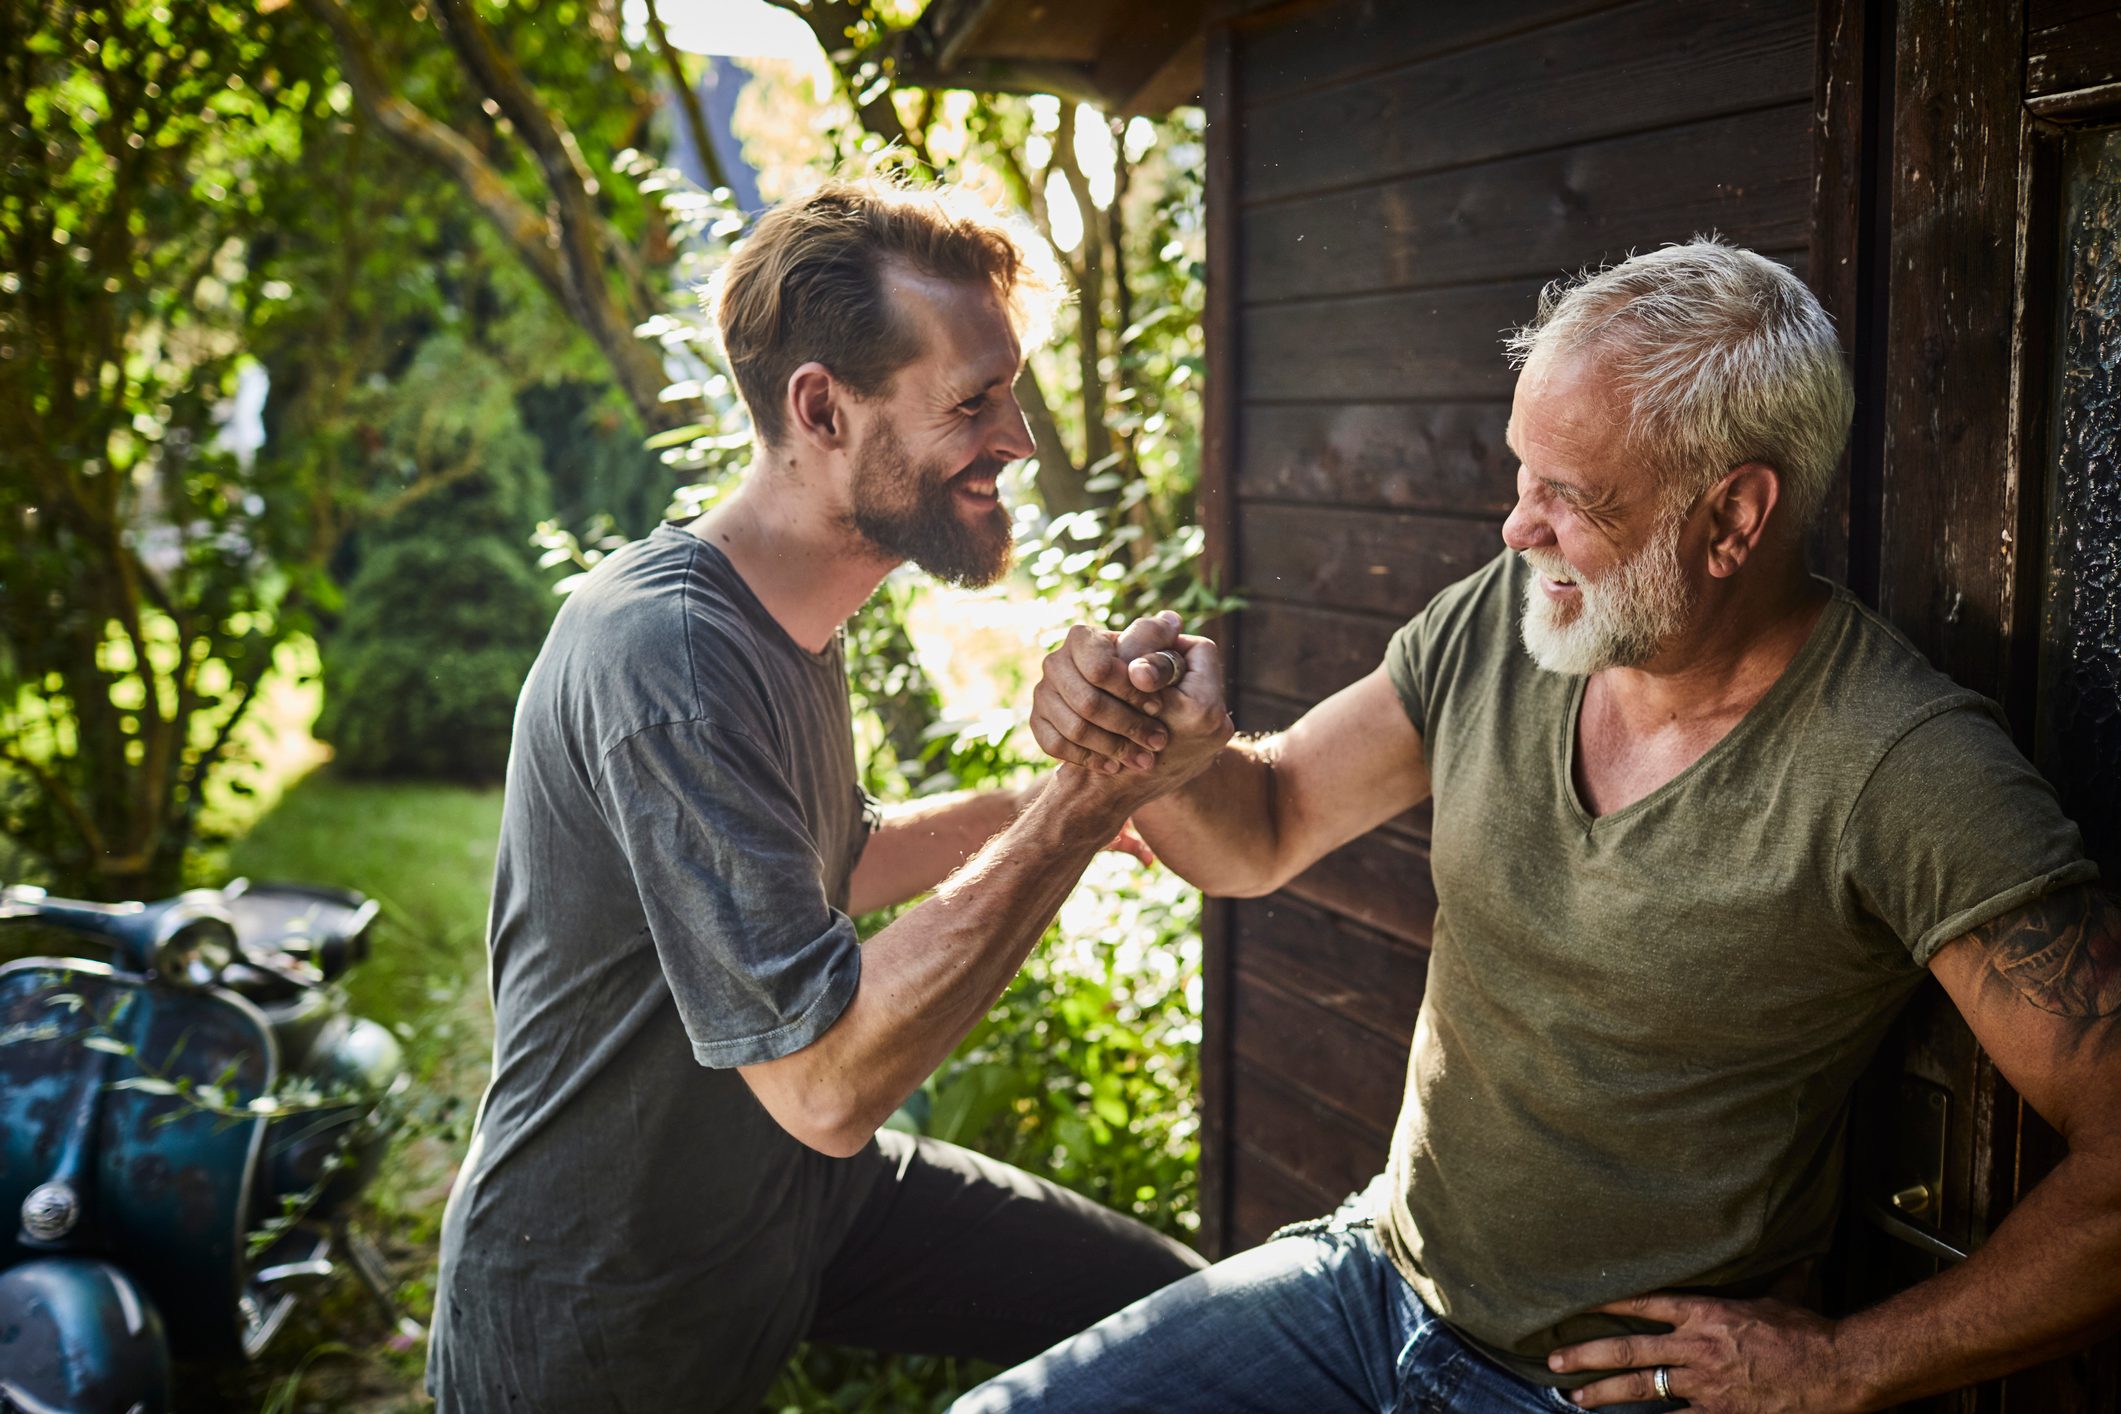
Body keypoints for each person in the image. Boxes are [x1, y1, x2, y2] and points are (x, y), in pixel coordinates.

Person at [969, 239, 2121, 1413]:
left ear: (1732, 516)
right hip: (1373, 1280)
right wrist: (1164, 748)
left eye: (1570, 495)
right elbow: (1265, 824)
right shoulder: (1508, 617)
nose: (1518, 527)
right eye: (1523, 471)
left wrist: (1844, 1364)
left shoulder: (1901, 764)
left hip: (1598, 1394)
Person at [425, 179, 1232, 1414]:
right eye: (973, 401)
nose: (1019, 439)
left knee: (1183, 1316)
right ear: (822, 410)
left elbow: (830, 864)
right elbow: (826, 1082)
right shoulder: (667, 656)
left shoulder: (787, 617)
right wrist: (1077, 806)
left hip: (784, 1203)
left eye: (1011, 394)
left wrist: (1046, 800)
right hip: (597, 1304)